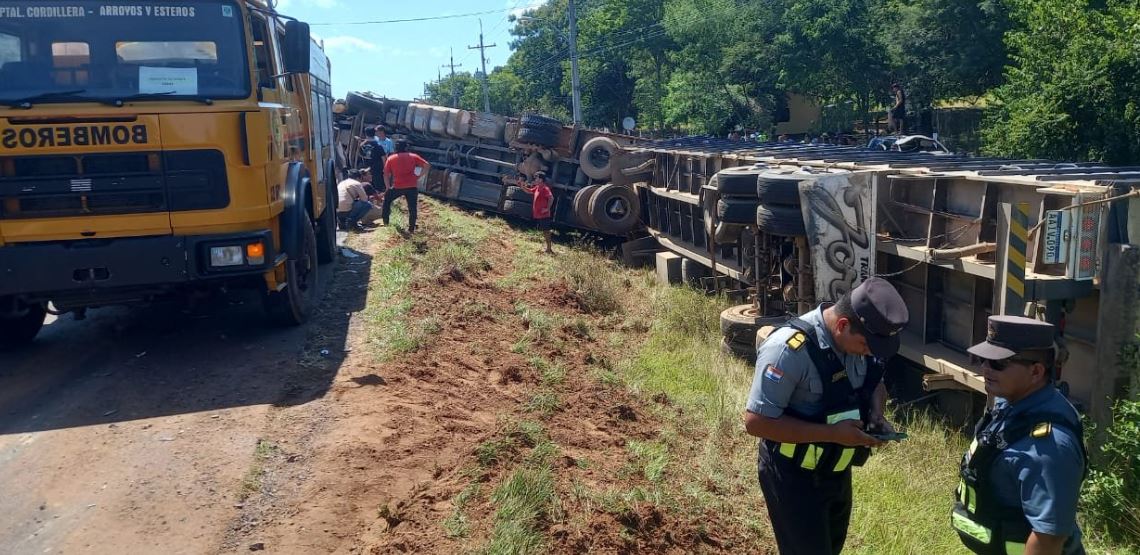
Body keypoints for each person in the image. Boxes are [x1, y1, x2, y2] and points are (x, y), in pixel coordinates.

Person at [743, 277, 910, 555]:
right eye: (866, 346)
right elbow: (755, 422)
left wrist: (876, 413)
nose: (869, 353)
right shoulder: (788, 350)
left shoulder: (859, 341)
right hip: (794, 479)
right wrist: (833, 434)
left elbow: (875, 382)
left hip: (836, 473)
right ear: (842, 325)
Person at [952, 316, 1087, 555]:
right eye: (985, 359)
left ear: (1036, 372)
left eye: (998, 364)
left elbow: (1048, 541)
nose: (985, 368)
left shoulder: (1050, 447)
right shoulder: (1013, 405)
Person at [382, 140, 430, 233]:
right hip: (412, 186)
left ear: (396, 148)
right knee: (412, 208)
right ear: (406, 147)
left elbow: (385, 174)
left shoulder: (391, 158)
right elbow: (427, 165)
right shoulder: (413, 156)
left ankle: (386, 223)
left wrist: (388, 187)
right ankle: (411, 228)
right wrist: (418, 176)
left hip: (398, 186)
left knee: (387, 201)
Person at [516, 171, 555, 254]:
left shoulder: (545, 188)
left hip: (544, 215)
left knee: (546, 231)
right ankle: (547, 248)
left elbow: (551, 198)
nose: (535, 179)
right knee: (544, 231)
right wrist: (522, 186)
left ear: (541, 179)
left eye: (536, 178)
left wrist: (547, 208)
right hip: (538, 214)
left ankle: (549, 249)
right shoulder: (537, 187)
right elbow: (529, 191)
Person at [358, 126, 387, 192]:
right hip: (377, 170)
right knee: (378, 188)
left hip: (365, 169)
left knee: (365, 188)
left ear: (366, 134)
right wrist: (385, 170)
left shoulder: (362, 145)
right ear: (374, 134)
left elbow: (360, 155)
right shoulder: (378, 146)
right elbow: (384, 159)